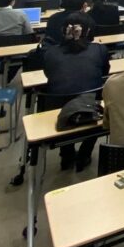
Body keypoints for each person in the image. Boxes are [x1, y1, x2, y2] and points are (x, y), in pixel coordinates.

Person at [41, 13, 110, 171]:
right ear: (88, 31)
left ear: (64, 30)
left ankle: (67, 155)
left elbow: (49, 74)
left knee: (66, 97)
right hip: (92, 108)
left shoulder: (50, 53)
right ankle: (85, 154)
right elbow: (104, 73)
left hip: (58, 111)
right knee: (94, 99)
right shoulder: (99, 50)